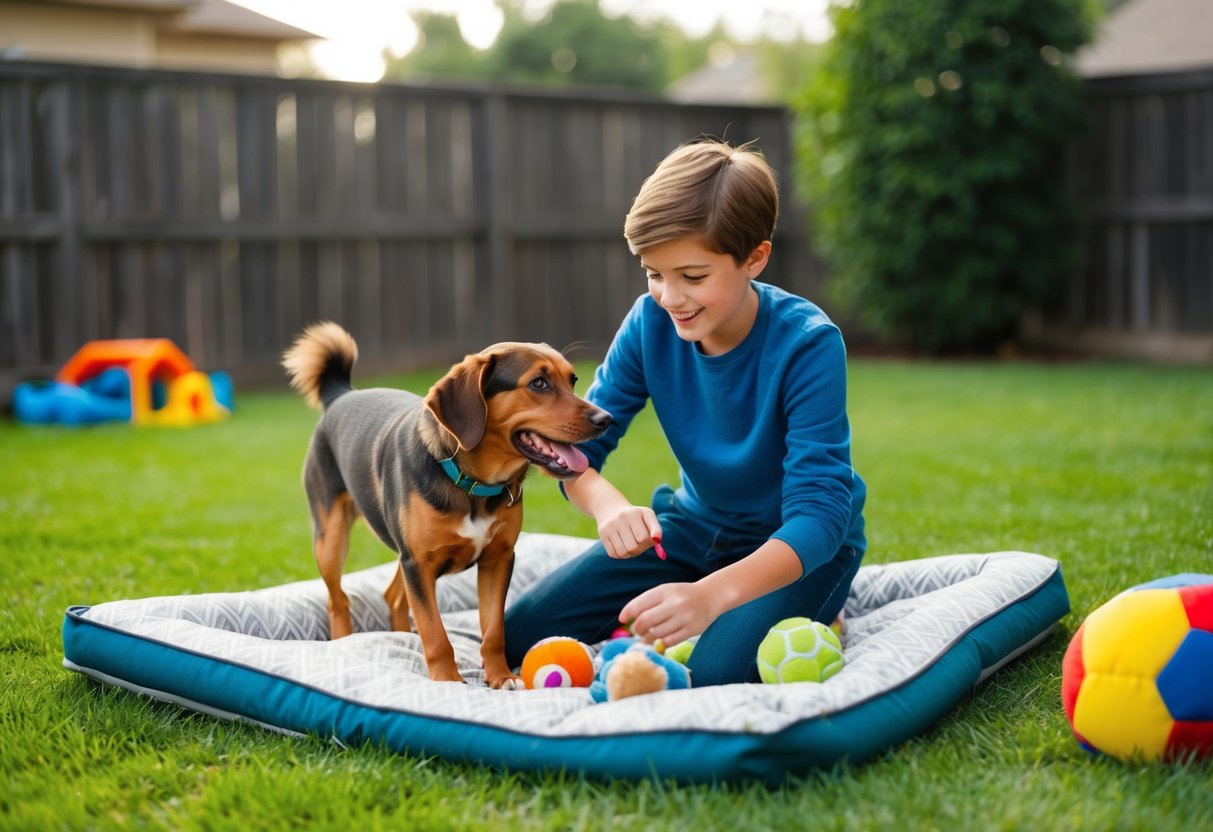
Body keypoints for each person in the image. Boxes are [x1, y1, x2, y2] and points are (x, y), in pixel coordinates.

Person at [503, 138, 867, 686]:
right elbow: (574, 449)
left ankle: (818, 606)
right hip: (692, 532)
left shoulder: (808, 343)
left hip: (796, 550)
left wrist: (709, 596)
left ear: (755, 258)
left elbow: (820, 516)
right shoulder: (649, 323)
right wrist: (606, 507)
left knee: (715, 672)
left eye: (692, 276)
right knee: (518, 635)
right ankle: (698, 607)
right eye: (653, 273)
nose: (670, 296)